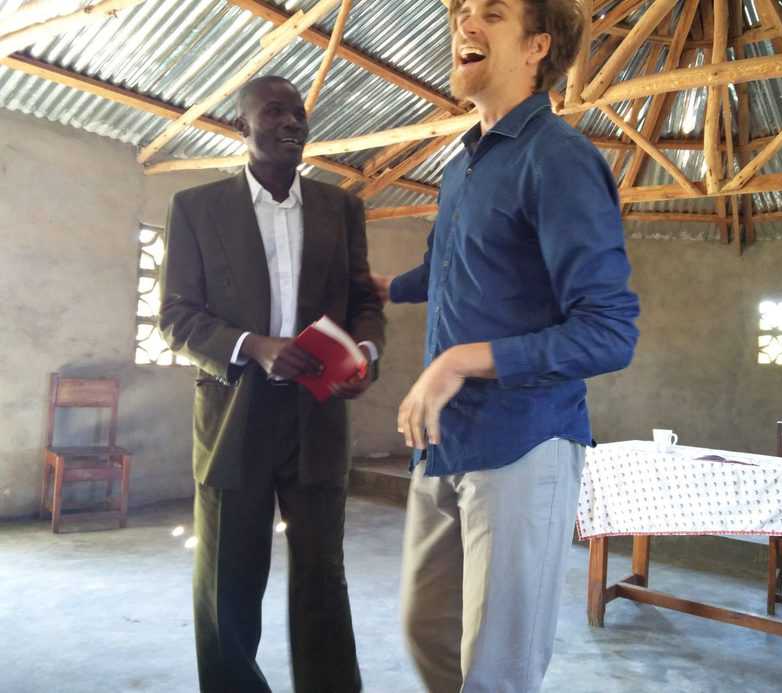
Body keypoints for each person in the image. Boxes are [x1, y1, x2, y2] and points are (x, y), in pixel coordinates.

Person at [372, 1, 640, 691]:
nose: (464, 24)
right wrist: (387, 288)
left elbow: (609, 332)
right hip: (444, 441)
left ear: (536, 46)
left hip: (523, 441)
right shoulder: (463, 165)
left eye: (491, 13)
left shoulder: (559, 159)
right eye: (461, 11)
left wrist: (461, 360)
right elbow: (449, 266)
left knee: (496, 670)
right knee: (426, 634)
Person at [158, 75, 384, 693]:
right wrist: (254, 347)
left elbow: (364, 300)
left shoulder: (341, 208)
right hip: (235, 414)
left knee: (322, 575)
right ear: (242, 127)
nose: (292, 123)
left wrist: (365, 352)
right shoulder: (197, 208)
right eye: (275, 111)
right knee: (227, 578)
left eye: (300, 113)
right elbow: (176, 317)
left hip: (318, 416)